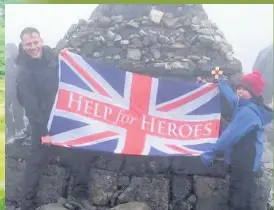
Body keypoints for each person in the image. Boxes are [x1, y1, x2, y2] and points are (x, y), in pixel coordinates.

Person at [15, 27, 95, 210]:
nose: (33, 47)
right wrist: (44, 134)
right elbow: (31, 109)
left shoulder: (53, 58)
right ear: (23, 45)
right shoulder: (23, 73)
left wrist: (68, 57)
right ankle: (26, 204)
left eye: (36, 42)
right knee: (36, 161)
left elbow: (69, 69)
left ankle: (79, 196)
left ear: (41, 40)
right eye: (28, 44)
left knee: (80, 153)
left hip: (62, 117)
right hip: (41, 123)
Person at [200, 71, 273, 210]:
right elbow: (232, 97)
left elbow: (229, 136)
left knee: (239, 198)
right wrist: (220, 81)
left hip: (243, 161)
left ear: (254, 93)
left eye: (245, 89)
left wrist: (211, 152)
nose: (240, 91)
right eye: (239, 88)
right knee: (241, 193)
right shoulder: (246, 106)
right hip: (245, 159)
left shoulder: (247, 113)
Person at [5, 43, 26, 140]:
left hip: (19, 91)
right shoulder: (7, 62)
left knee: (18, 112)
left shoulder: (21, 61)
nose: (8, 52)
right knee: (4, 109)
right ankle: (11, 129)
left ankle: (20, 129)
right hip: (8, 91)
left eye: (9, 50)